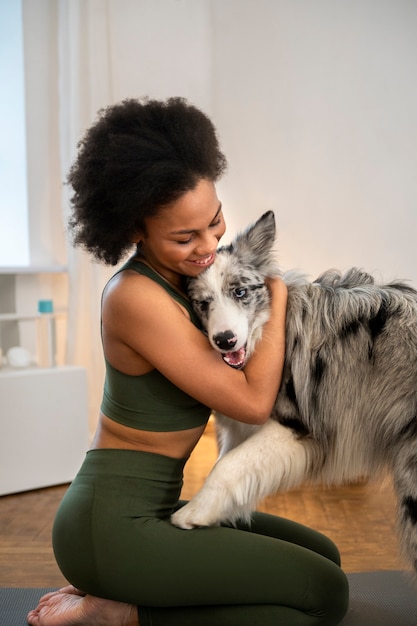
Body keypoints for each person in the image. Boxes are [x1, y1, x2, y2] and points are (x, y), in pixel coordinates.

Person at [27, 97, 349, 626]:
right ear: (136, 230)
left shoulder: (194, 280)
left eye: (215, 222)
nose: (208, 247)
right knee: (325, 595)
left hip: (156, 509)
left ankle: (124, 588)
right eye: (185, 237)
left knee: (325, 557)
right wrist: (276, 291)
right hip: (113, 523)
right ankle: (121, 611)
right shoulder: (136, 298)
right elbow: (249, 402)